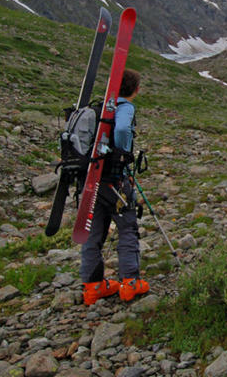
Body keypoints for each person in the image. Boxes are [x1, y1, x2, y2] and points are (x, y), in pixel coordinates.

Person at [80, 69, 149, 305]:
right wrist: (121, 155)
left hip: (92, 179)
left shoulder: (100, 109)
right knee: (127, 226)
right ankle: (130, 282)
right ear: (136, 89)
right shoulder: (125, 108)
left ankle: (92, 287)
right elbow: (121, 129)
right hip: (115, 179)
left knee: (93, 229)